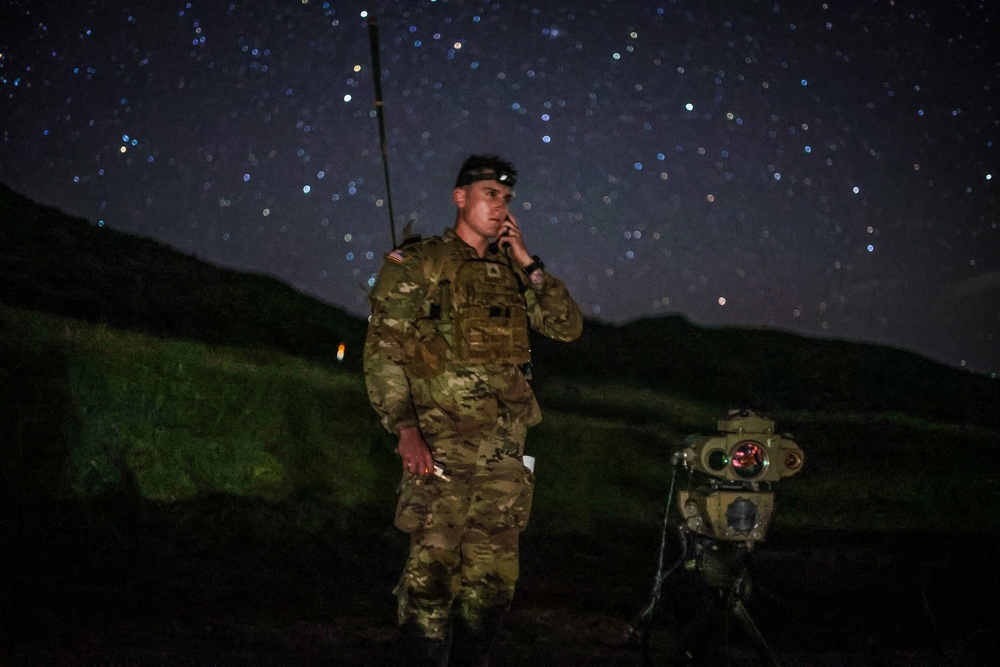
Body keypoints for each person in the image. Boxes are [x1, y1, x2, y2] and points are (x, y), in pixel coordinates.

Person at [364, 154, 584, 666]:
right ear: (460, 198)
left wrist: (528, 260)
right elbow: (382, 352)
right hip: (440, 447)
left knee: (492, 583)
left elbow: (567, 326)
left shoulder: (511, 271)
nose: (500, 206)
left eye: (507, 198)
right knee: (431, 576)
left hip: (504, 456)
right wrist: (404, 428)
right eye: (490, 194)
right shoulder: (419, 263)